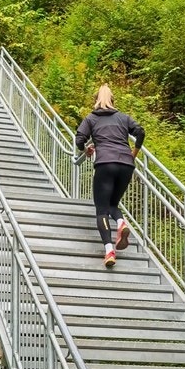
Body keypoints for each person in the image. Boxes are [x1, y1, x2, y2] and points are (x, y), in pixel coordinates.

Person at [74, 84, 145, 267]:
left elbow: (79, 139)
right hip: (126, 165)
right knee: (113, 204)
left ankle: (109, 251)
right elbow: (140, 132)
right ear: (113, 100)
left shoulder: (91, 118)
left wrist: (86, 150)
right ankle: (121, 223)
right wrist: (133, 154)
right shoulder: (123, 117)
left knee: (102, 210)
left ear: (95, 100)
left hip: (105, 163)